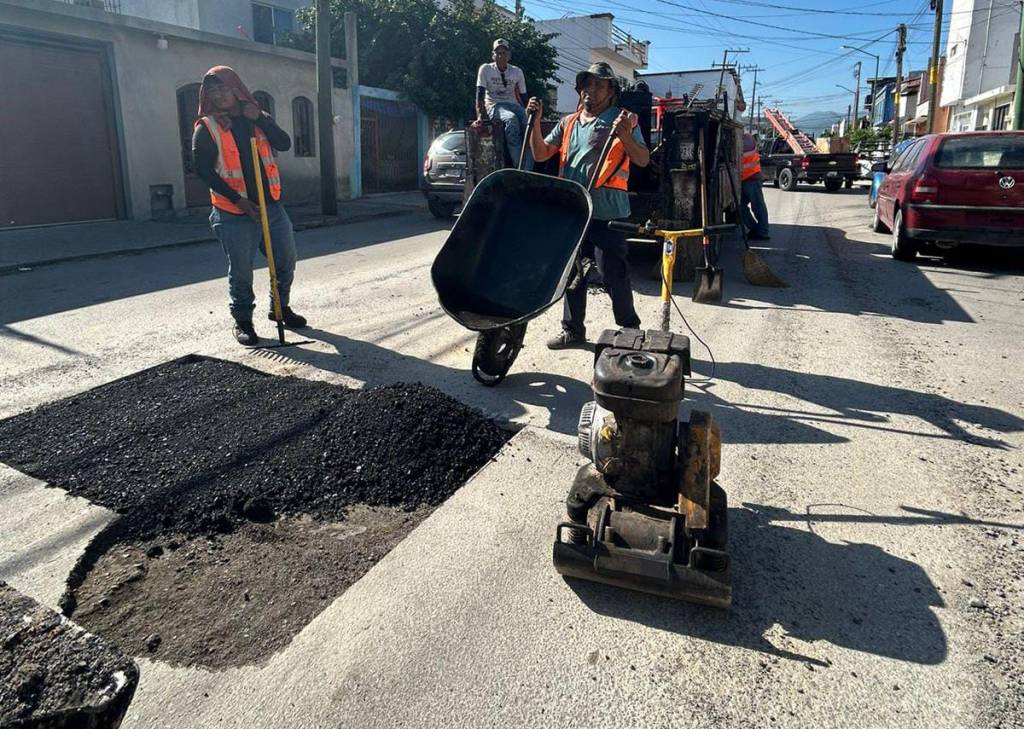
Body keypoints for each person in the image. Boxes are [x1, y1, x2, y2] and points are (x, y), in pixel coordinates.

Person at [527, 62, 650, 350]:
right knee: (572, 273)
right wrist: (534, 122)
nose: (589, 91)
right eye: (586, 85)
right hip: (575, 211)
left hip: (608, 212)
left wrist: (625, 136)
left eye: (597, 85)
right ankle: (572, 330)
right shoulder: (568, 122)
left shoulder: (625, 119)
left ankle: (629, 328)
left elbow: (643, 159)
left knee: (612, 274)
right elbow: (541, 151)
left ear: (611, 91)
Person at [191, 66, 307, 346]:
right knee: (241, 269)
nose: (219, 95)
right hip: (233, 212)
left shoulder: (256, 117)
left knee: (285, 261)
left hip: (272, 207)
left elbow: (284, 142)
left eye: (224, 88)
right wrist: (239, 201)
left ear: (237, 89)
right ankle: (243, 320)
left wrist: (262, 120)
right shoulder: (207, 127)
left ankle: (279, 309)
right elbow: (203, 171)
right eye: (213, 90)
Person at [475, 39, 530, 169]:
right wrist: (479, 116)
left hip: (513, 105)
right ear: (493, 55)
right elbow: (479, 95)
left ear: (509, 55)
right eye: (498, 53)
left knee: (529, 123)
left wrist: (533, 114)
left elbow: (524, 96)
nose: (501, 56)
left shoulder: (517, 71)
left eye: (504, 53)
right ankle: (519, 166)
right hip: (494, 105)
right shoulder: (486, 69)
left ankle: (531, 166)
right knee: (511, 120)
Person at [740, 132, 770, 240]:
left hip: (752, 177)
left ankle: (762, 231)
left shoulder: (747, 139)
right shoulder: (745, 138)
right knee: (740, 207)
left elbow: (740, 154)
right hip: (744, 179)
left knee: (757, 206)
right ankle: (755, 229)